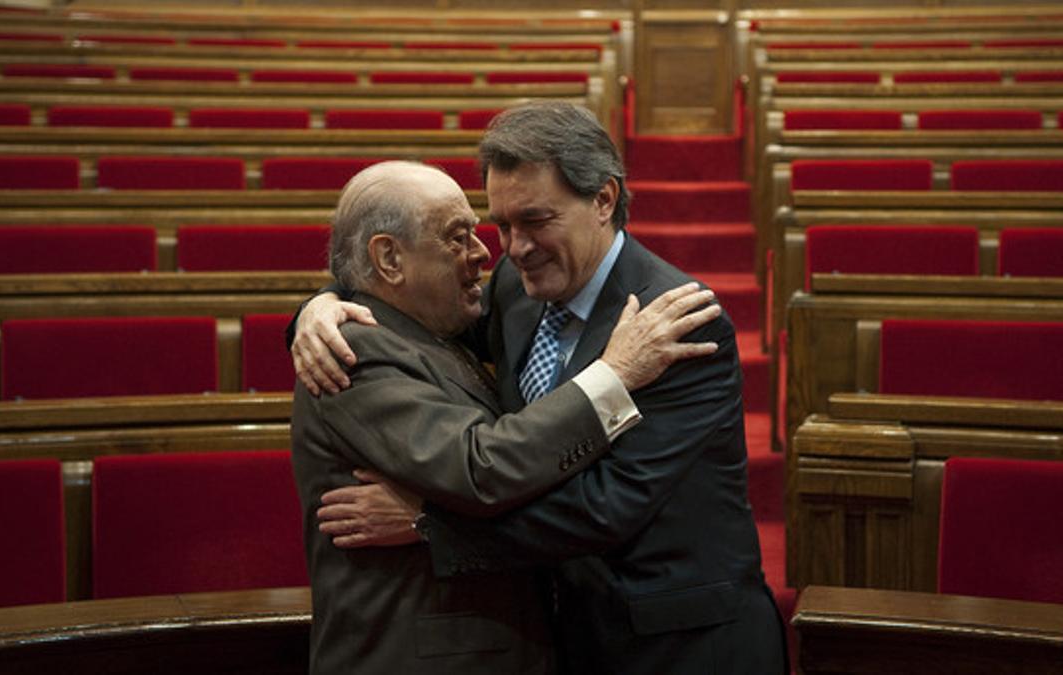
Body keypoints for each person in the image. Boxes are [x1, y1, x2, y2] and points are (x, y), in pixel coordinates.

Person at [293, 102, 788, 674]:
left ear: (603, 199)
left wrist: (430, 526)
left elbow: (607, 506)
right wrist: (323, 305)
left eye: (535, 220)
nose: (512, 247)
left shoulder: (673, 326)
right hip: (574, 634)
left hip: (681, 642)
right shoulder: (518, 285)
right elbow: (400, 308)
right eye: (501, 225)